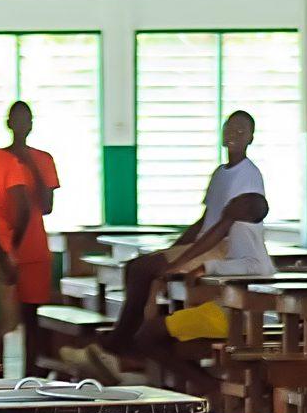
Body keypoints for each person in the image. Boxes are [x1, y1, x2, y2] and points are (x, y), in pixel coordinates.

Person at [106, 110, 270, 354]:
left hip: (223, 247)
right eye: (229, 127)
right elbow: (205, 221)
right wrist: (173, 249)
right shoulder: (220, 173)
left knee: (143, 269)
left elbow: (222, 227)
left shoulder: (249, 175)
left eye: (241, 130)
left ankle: (122, 344)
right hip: (206, 243)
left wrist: (179, 261)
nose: (233, 134)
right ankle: (132, 338)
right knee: (135, 267)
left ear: (251, 138)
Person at [0, 99, 61, 337]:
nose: (21, 125)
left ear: (32, 124)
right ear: (8, 123)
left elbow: (47, 206)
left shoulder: (44, 159)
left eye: (26, 120)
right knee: (0, 318)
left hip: (33, 248)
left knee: (31, 317)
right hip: (2, 247)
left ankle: (33, 361)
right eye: (16, 120)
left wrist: (30, 165)